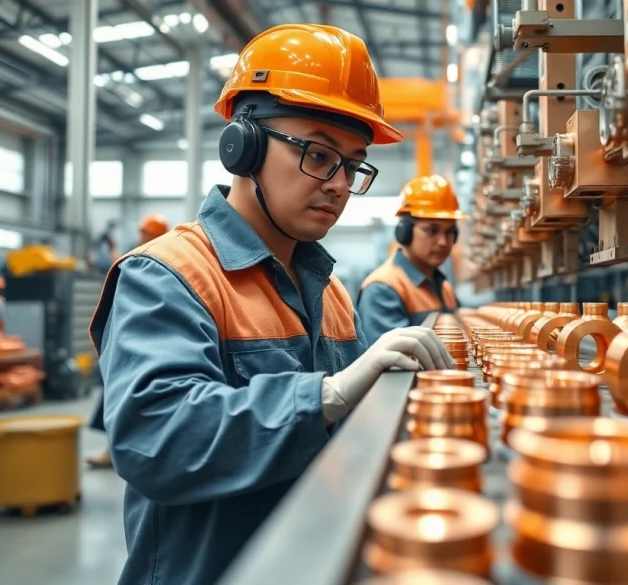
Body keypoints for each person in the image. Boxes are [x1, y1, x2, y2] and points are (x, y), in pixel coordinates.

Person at [88, 24, 453, 585]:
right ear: (244, 145)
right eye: (317, 153)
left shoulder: (329, 289)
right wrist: (325, 395)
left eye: (352, 165)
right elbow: (155, 441)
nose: (337, 183)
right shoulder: (167, 274)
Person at [85, 213, 170, 468]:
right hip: (136, 336)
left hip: (143, 338)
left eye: (145, 232)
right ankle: (118, 448)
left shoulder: (155, 259)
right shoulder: (150, 256)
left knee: (127, 392)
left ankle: (120, 449)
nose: (140, 236)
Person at [356, 175, 464, 343]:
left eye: (450, 231)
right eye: (432, 230)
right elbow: (393, 364)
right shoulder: (383, 289)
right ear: (404, 232)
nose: (443, 242)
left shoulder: (445, 287)